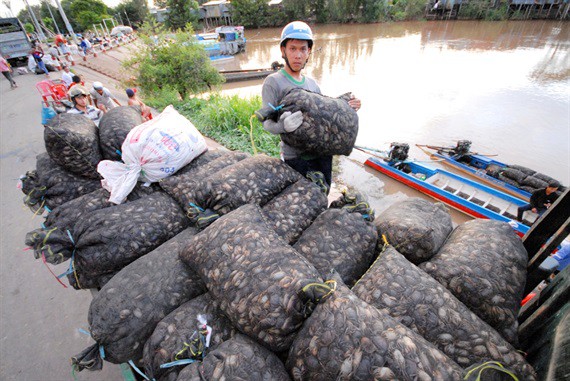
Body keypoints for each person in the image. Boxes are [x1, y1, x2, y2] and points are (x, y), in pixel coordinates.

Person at [261, 21, 361, 193]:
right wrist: (282, 126)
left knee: (323, 195)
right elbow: (266, 123)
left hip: (322, 156)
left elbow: (322, 116)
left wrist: (347, 106)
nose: (298, 55)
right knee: (301, 202)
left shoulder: (312, 84)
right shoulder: (273, 82)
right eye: (293, 48)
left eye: (303, 49)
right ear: (283, 50)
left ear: (309, 53)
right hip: (296, 159)